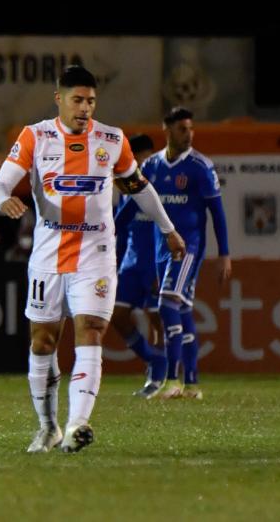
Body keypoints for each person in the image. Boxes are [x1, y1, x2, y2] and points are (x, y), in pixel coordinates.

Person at [0, 66, 185, 453]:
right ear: (59, 100)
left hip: (95, 254)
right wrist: (4, 200)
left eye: (91, 101)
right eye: (77, 100)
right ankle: (48, 427)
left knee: (91, 330)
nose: (84, 108)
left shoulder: (111, 140)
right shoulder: (35, 136)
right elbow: (0, 183)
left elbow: (138, 187)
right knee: (43, 342)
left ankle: (77, 423)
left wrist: (168, 228)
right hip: (48, 255)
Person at [128, 107, 232, 399]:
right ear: (167, 129)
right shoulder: (152, 165)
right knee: (182, 310)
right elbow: (134, 203)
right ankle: (192, 385)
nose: (189, 135)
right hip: (162, 248)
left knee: (167, 304)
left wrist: (224, 253)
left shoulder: (200, 166)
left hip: (188, 248)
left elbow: (217, 213)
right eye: (182, 129)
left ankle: (172, 379)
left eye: (191, 129)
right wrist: (112, 228)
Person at [110, 134, 167, 399]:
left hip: (155, 262)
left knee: (158, 319)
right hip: (131, 264)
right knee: (118, 316)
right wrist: (114, 262)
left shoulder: (160, 186)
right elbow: (121, 229)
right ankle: (153, 360)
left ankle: (160, 378)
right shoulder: (126, 188)